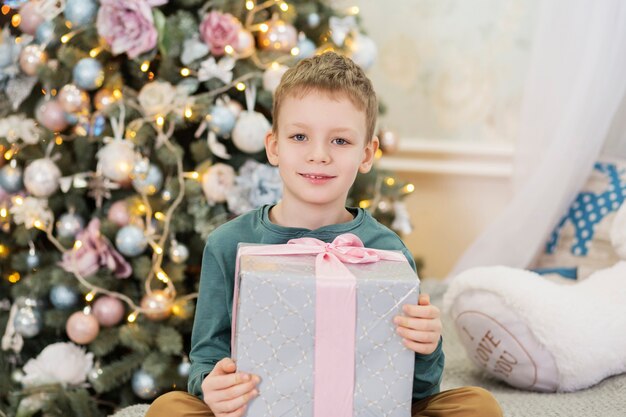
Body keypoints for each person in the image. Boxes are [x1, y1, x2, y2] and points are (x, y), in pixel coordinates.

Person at [146, 52, 502, 417]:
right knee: (169, 409)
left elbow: (417, 390)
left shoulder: (386, 251)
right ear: (274, 146)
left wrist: (427, 347)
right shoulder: (227, 244)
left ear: (367, 154)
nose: (318, 155)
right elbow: (208, 356)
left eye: (340, 142)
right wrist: (212, 385)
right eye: (299, 136)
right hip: (260, 411)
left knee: (477, 406)